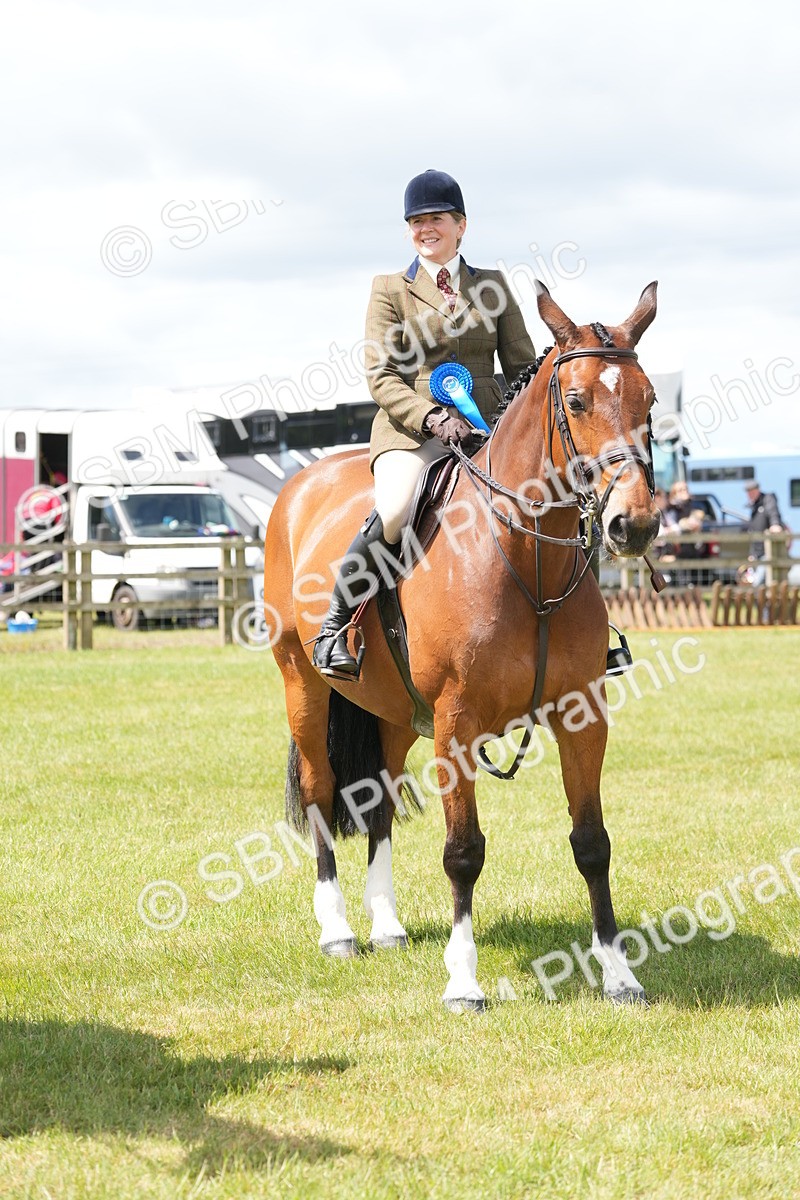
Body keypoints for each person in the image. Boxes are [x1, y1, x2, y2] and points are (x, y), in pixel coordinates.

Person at [312, 169, 537, 677]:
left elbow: (522, 367)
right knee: (394, 509)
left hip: (487, 431)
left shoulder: (493, 285)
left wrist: (513, 422)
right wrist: (432, 416)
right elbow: (380, 375)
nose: (425, 228)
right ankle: (334, 628)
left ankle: (585, 630)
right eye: (416, 222)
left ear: (461, 225)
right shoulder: (390, 289)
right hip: (411, 434)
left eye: (436, 218)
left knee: (551, 498)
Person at [744, 480, 784, 561]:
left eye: (752, 492)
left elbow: (773, 512)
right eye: (748, 492)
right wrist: (752, 554)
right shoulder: (754, 507)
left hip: (768, 550)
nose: (750, 495)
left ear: (758, 490)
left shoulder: (767, 499)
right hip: (757, 552)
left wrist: (775, 524)